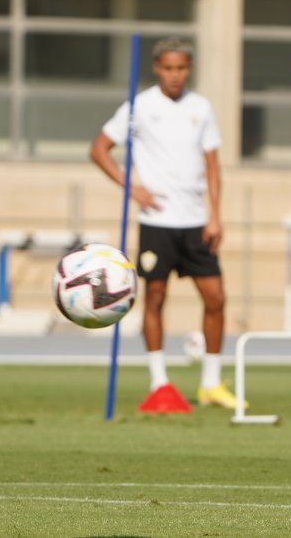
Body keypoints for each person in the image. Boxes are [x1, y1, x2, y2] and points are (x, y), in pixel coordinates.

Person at [90, 37, 241, 411]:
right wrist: (132, 187)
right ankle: (159, 381)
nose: (175, 75)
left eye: (182, 68)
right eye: (169, 68)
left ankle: (209, 383)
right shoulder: (138, 106)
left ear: (189, 69)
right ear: (157, 68)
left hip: (196, 222)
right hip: (156, 221)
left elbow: (212, 165)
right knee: (155, 298)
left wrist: (215, 215)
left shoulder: (201, 107)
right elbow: (99, 150)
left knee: (216, 298)